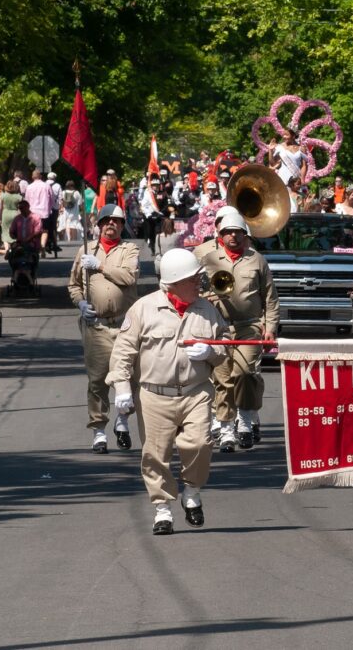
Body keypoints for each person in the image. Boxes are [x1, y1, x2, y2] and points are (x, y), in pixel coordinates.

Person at [106, 248, 227, 535]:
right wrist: (121, 387)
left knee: (199, 444)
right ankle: (162, 509)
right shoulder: (143, 309)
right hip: (154, 395)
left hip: (196, 392)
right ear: (173, 282)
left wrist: (212, 350)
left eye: (199, 277)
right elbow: (123, 352)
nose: (199, 283)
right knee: (155, 455)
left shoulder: (207, 308)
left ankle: (192, 492)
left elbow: (225, 343)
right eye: (193, 279)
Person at [196, 212, 280, 451]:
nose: (233, 236)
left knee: (244, 373)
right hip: (219, 327)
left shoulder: (257, 260)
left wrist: (270, 327)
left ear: (245, 234)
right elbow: (196, 293)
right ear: (220, 236)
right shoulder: (208, 259)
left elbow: (271, 298)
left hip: (249, 326)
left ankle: (245, 420)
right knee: (222, 379)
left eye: (237, 231)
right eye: (227, 232)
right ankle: (225, 429)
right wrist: (206, 295)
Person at [66, 205, 140, 452]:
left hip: (125, 326)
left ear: (122, 225)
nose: (111, 224)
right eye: (106, 221)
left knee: (128, 378)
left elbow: (129, 278)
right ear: (98, 225)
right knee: (98, 381)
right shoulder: (85, 250)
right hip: (96, 326)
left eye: (117, 221)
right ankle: (98, 430)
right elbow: (74, 285)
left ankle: (122, 419)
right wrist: (81, 303)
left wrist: (99, 266)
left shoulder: (129, 249)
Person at [24, 171, 55, 254]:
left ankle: (36, 247)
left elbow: (26, 200)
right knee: (44, 230)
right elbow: (52, 198)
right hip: (44, 212)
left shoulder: (29, 187)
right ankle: (43, 245)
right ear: (40, 176)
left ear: (32, 177)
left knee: (34, 231)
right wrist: (50, 208)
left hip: (33, 212)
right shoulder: (46, 186)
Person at [0, 180, 23, 251]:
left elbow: (0, 208)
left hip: (5, 213)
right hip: (15, 214)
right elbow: (21, 208)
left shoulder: (3, 195)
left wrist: (0, 218)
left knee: (5, 232)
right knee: (15, 231)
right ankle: (14, 248)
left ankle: (7, 249)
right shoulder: (19, 197)